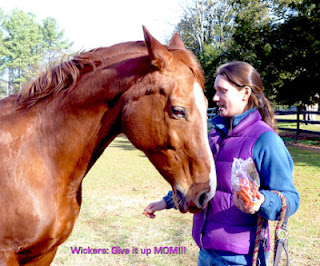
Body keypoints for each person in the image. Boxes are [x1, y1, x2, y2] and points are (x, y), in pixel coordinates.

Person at [143, 61, 300, 265]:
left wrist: (262, 201)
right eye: (215, 90)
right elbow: (202, 183)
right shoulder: (214, 136)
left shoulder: (266, 140)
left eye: (222, 91)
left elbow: (291, 198)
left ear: (244, 93)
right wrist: (166, 202)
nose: (215, 98)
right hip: (206, 252)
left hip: (240, 259)